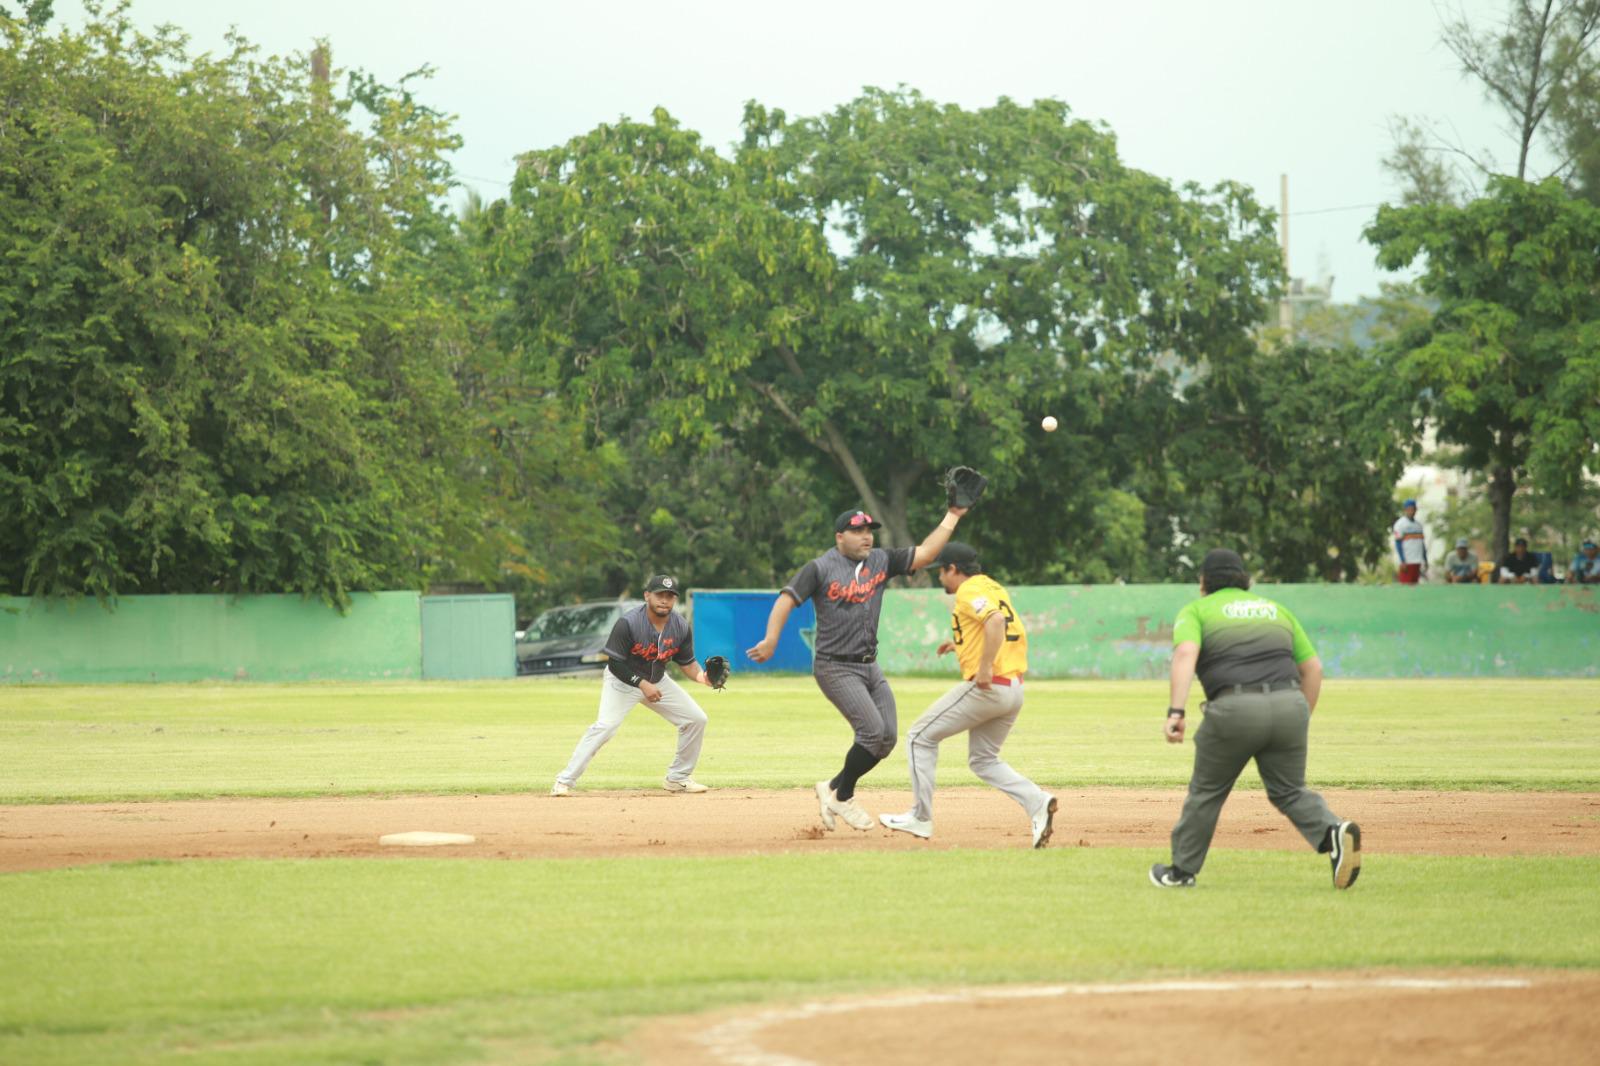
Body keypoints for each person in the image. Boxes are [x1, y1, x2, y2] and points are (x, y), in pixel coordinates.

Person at [747, 499, 969, 831]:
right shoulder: (820, 568)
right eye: (857, 531)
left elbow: (926, 554)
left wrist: (952, 514)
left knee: (888, 738)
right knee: (871, 732)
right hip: (834, 666)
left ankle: (832, 788)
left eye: (869, 531)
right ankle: (842, 795)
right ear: (839, 537)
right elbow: (786, 599)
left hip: (870, 666)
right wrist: (771, 640)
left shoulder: (880, 560)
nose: (866, 537)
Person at [1149, 548, 1361, 891]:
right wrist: (1299, 715)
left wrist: (1176, 711)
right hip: (1290, 703)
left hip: (1235, 708)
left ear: (1204, 582)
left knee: (1207, 792)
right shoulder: (1276, 610)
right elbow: (1313, 669)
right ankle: (1332, 831)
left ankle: (1181, 872)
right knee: (1289, 790)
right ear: (1243, 579)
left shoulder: (1197, 610)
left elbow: (1186, 654)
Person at [879, 542, 1057, 848]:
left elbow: (996, 622)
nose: (939, 579)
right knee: (983, 760)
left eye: (942, 572)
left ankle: (920, 817)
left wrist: (985, 666)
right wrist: (960, 645)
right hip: (1014, 688)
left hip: (990, 686)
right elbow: (1000, 625)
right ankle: (1037, 801)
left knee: (919, 737)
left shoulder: (967, 591)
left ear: (954, 569)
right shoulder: (993, 587)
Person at [551, 574, 715, 796]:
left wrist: (702, 678)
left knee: (696, 719)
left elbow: (687, 663)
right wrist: (641, 684)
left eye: (670, 596)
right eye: (659, 595)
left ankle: (678, 778)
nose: (664, 600)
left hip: (657, 681)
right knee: (605, 727)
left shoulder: (680, 627)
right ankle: (564, 781)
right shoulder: (628, 623)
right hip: (621, 682)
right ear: (647, 595)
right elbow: (615, 663)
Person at [1392, 498, 1428, 583]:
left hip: (1417, 560)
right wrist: (1402, 561)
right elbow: (1398, 543)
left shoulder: (1418, 525)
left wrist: (1425, 559)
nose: (1411, 511)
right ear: (1405, 510)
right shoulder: (1400, 524)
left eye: (1413, 509)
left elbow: (1422, 544)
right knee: (1405, 587)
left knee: (1415, 586)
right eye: (1409, 509)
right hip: (1407, 562)